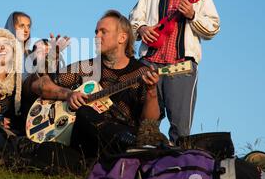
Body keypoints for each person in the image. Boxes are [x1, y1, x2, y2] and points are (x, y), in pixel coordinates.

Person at [25, 10, 163, 159]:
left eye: (103, 32)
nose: (96, 37)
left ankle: (131, 146)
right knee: (83, 114)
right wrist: (68, 94)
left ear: (122, 37)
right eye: (96, 32)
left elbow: (150, 122)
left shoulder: (141, 72)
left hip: (123, 138)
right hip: (86, 142)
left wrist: (151, 91)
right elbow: (37, 84)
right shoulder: (87, 68)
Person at [129, 0, 220, 143]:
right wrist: (142, 29)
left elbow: (214, 27)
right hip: (150, 63)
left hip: (182, 66)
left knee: (180, 125)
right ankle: (141, 163)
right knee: (144, 122)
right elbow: (133, 19)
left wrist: (192, 15)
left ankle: (178, 168)